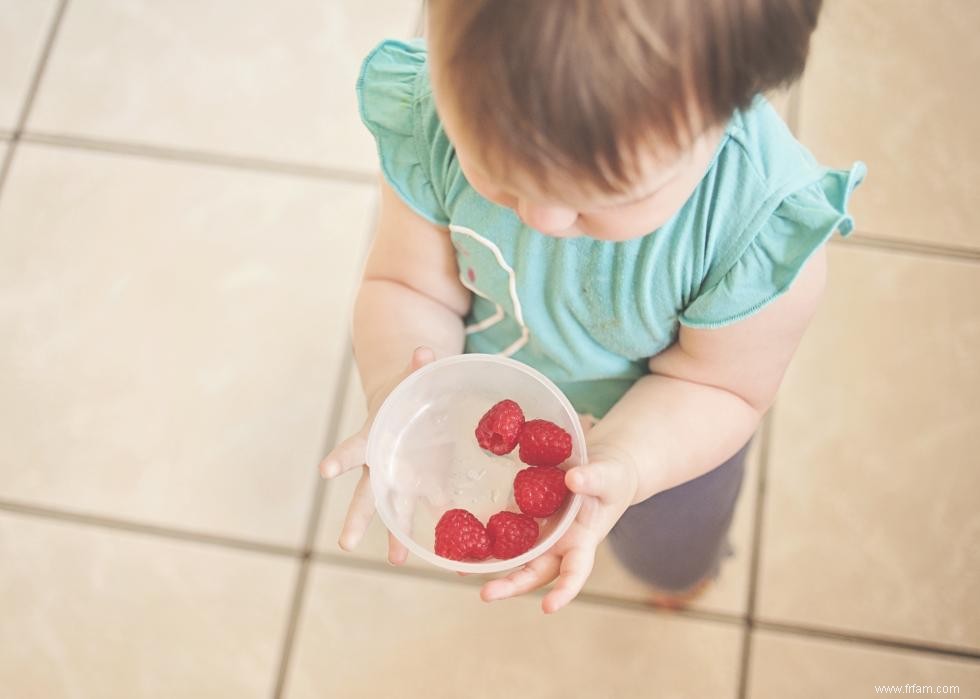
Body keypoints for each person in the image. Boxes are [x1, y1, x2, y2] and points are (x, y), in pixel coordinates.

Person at [319, 0, 864, 613]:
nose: (541, 218)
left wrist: (628, 463)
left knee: (671, 546)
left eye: (598, 198)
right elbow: (410, 286)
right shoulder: (438, 118)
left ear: (733, 102)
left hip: (668, 432)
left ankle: (680, 578)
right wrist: (400, 392)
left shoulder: (755, 228)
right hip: (497, 393)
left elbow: (723, 387)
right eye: (498, 171)